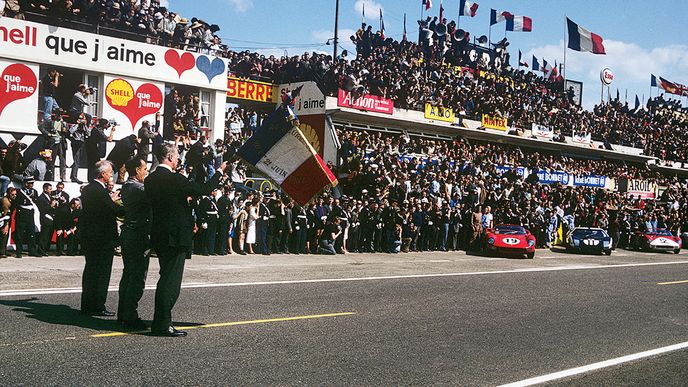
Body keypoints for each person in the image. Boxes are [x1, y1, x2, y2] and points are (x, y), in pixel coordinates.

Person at [145, 143, 226, 337]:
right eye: (177, 156)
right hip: (176, 235)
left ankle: (161, 320)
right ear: (171, 158)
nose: (178, 160)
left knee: (165, 276)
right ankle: (163, 324)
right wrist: (219, 173)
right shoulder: (174, 179)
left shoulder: (151, 179)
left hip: (160, 233)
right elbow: (205, 188)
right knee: (171, 282)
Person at [79, 160, 123, 317]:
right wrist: (115, 202)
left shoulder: (89, 189)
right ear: (103, 174)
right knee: (102, 274)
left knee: (90, 271)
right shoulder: (99, 190)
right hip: (102, 239)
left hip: (90, 238)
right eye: (110, 172)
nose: (111, 175)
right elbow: (111, 210)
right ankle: (97, 305)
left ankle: (87, 304)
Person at [117, 158, 151, 330]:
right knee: (137, 276)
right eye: (145, 169)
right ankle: (130, 315)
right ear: (137, 170)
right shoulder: (139, 188)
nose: (146, 172)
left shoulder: (126, 186)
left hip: (129, 232)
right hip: (138, 233)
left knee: (128, 273)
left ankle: (123, 312)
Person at [13, 177, 39, 258]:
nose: (32, 185)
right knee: (19, 234)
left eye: (32, 183)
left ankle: (32, 251)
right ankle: (19, 252)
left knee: (31, 233)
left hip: (30, 214)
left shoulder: (34, 192)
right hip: (21, 214)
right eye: (30, 183)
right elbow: (16, 203)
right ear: (26, 183)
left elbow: (35, 202)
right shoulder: (19, 191)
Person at [36, 182, 57, 256]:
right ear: (45, 189)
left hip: (51, 218)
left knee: (48, 236)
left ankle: (45, 249)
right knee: (44, 236)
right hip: (45, 219)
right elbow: (42, 210)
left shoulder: (50, 197)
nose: (51, 190)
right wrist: (51, 206)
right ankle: (41, 250)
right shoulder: (41, 198)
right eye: (49, 189)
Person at [0, 188, 16, 258]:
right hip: (3, 218)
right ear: (8, 194)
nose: (14, 196)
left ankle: (4, 250)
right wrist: (6, 224)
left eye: (15, 194)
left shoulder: (11, 200)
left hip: (7, 217)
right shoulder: (5, 201)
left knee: (6, 235)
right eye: (12, 194)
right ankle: (2, 252)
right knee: (4, 234)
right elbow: (5, 214)